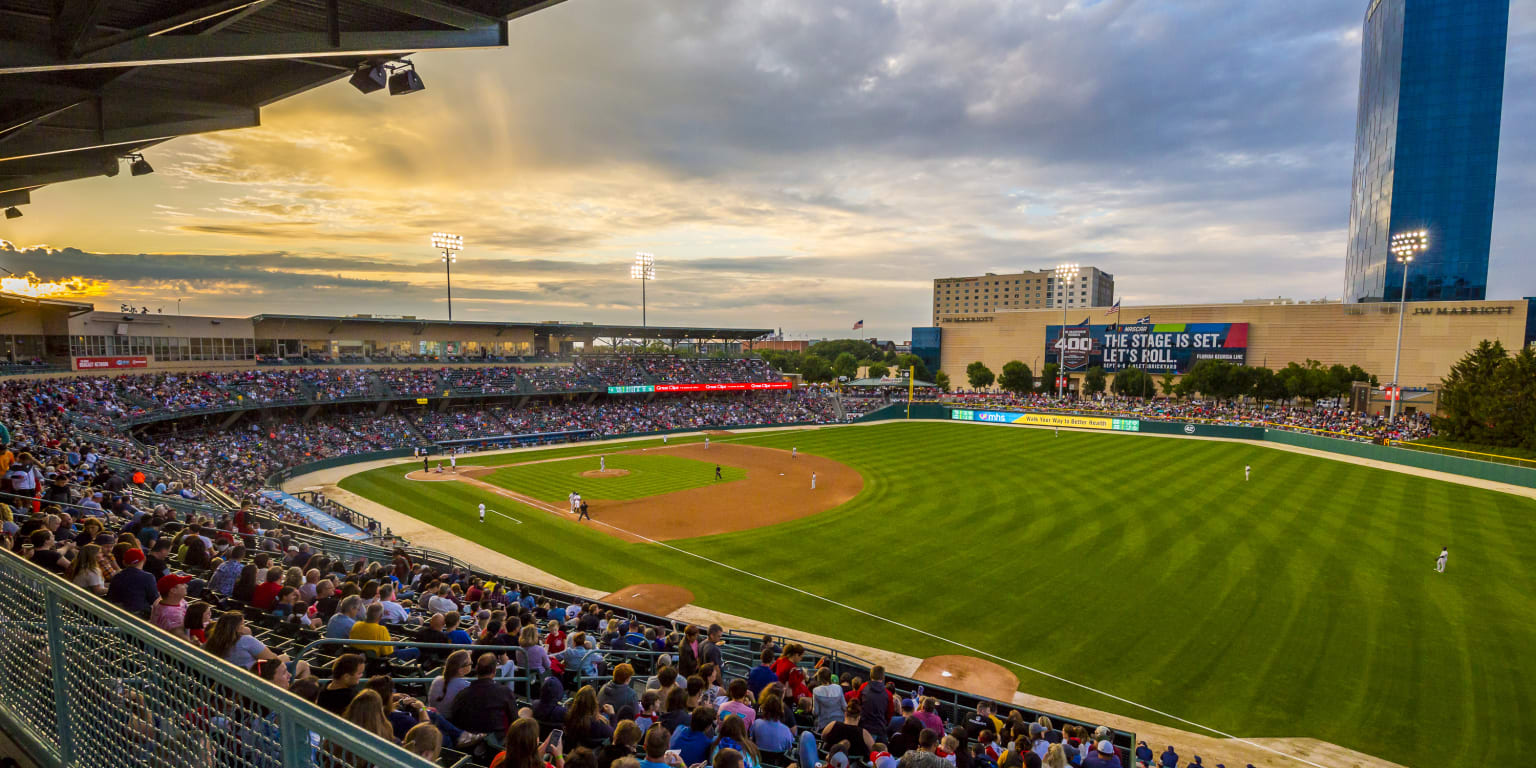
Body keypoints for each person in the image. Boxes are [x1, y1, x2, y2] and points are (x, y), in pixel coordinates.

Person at [446, 653, 518, 736]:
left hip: (470, 743)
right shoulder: (505, 692)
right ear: (494, 672)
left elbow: (456, 721)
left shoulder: (462, 695)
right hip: (498, 742)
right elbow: (515, 720)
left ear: (476, 669)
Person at [206, 610, 283, 670]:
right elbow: (273, 660)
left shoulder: (211, 641)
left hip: (225, 680)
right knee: (286, 658)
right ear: (237, 628)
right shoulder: (246, 640)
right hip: (254, 678)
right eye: (243, 624)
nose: (245, 626)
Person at [105, 548, 158, 617]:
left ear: (124, 562)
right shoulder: (148, 577)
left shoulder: (117, 576)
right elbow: (154, 600)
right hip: (139, 618)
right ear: (144, 559)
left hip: (117, 616)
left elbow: (111, 597)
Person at [150, 573, 194, 637]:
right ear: (173, 590)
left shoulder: (171, 600)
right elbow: (184, 640)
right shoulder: (172, 616)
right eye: (182, 584)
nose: (186, 586)